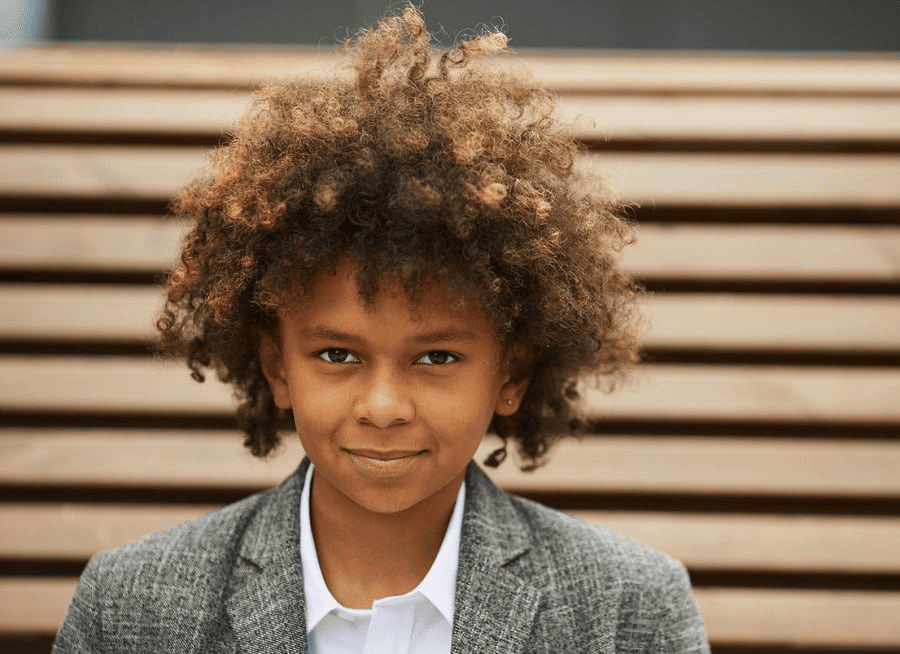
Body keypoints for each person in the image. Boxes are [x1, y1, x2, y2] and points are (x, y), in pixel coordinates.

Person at [53, 6, 710, 652]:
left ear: (511, 373)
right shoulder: (131, 608)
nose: (385, 407)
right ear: (278, 366)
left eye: (437, 358)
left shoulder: (632, 613)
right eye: (337, 353)